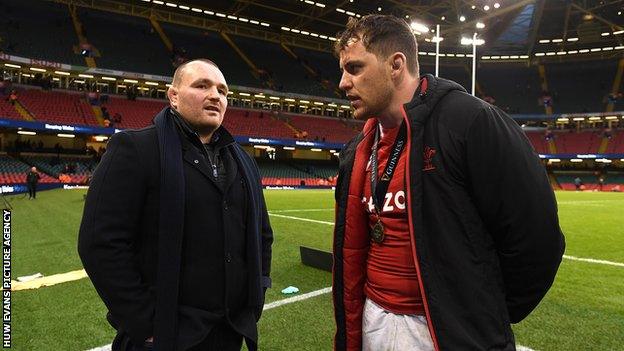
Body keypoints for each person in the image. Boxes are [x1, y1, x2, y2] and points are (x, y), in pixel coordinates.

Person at [331, 15, 565, 351]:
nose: (343, 83)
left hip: (443, 331)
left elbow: (538, 238)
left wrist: (482, 311)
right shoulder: (357, 151)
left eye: (354, 68)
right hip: (372, 322)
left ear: (396, 65)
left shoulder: (470, 122)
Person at [78, 59, 273, 351]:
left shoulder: (243, 161)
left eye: (222, 91)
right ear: (173, 96)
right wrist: (145, 324)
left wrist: (255, 297)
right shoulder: (136, 148)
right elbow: (100, 243)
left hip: (230, 332)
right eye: (201, 86)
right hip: (165, 337)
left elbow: (262, 235)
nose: (214, 96)